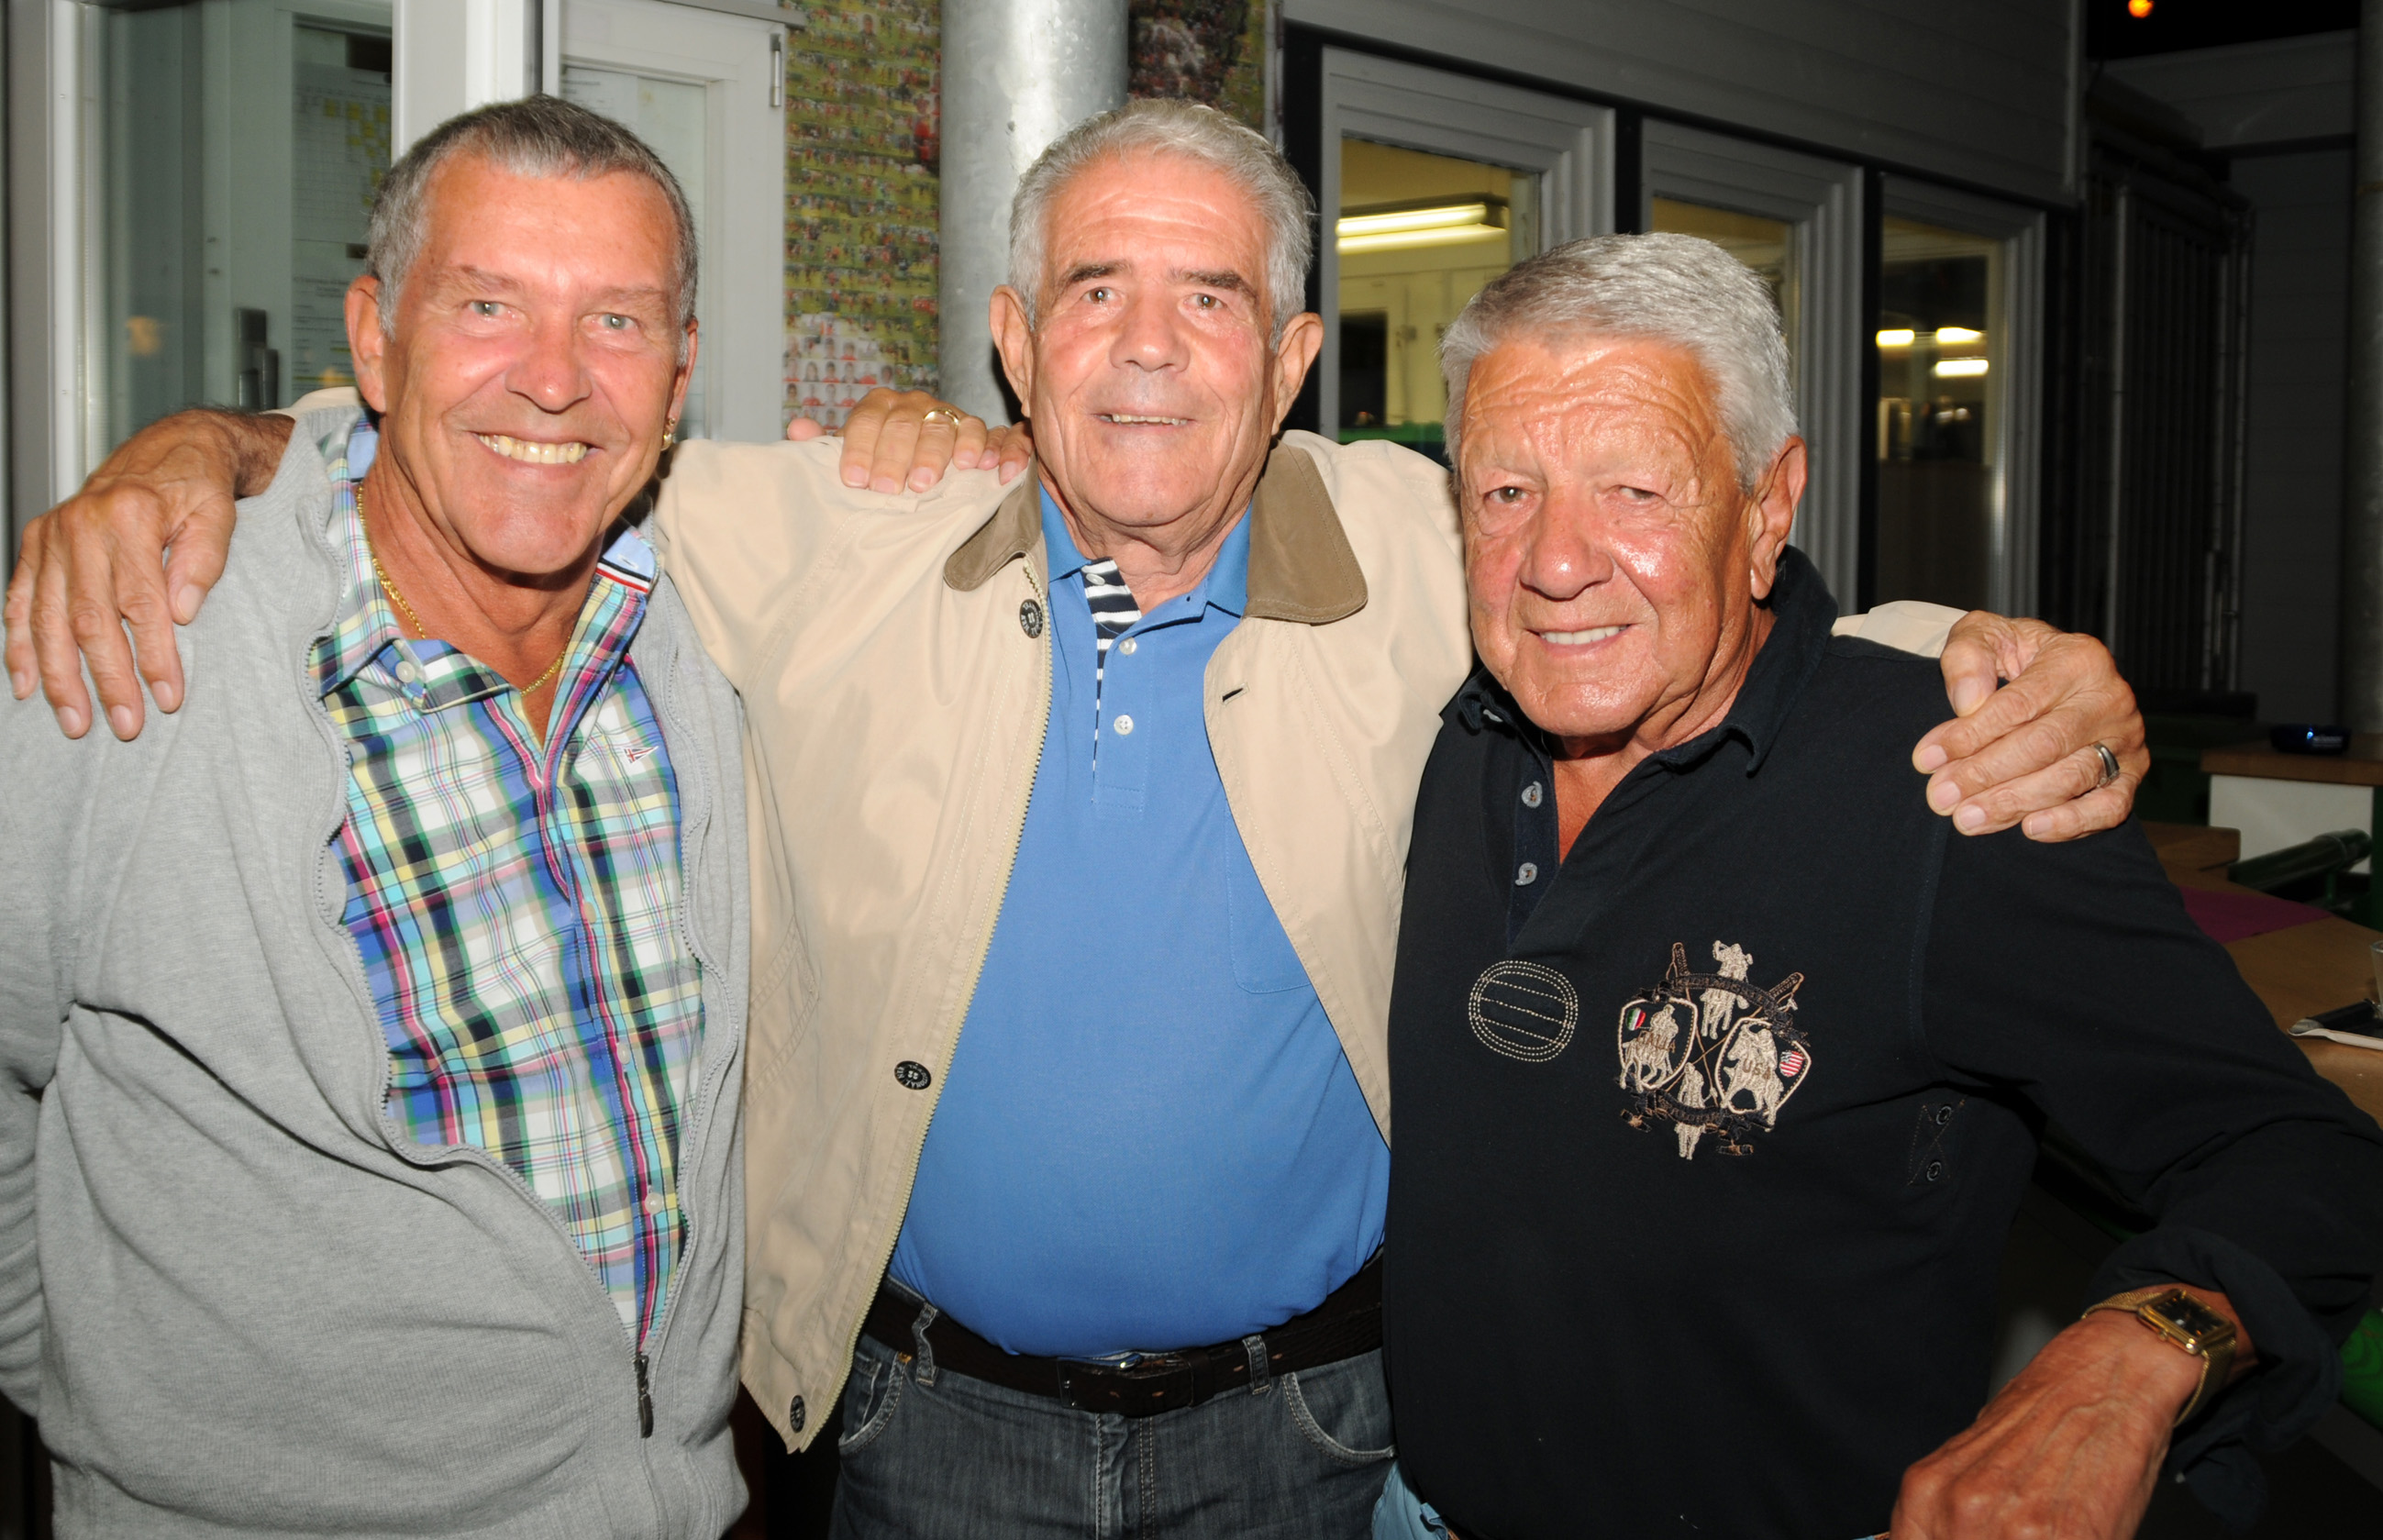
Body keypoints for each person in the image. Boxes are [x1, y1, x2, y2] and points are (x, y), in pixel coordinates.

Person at [8, 103, 2150, 1538]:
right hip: (921, 1432)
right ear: (1015, 345)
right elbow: (488, 442)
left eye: (1209, 297)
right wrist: (189, 454)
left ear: (1290, 360)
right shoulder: (824, 535)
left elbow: (1689, 595)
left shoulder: (1425, 548)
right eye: (1096, 291)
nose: (1147, 349)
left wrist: (1991, 659)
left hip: (1318, 1429)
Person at [0, 96, 998, 1537]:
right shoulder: (132, 643)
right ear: (374, 340)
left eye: (616, 321)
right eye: (487, 305)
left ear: (678, 376)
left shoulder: (711, 640)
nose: (552, 380)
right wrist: (103, 1396)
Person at [1376, 233, 2383, 1540]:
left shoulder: (1957, 790)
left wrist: (2122, 1368)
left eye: (1634, 488)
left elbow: (2302, 1159)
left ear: (1768, 509)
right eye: (1507, 490)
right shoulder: (1440, 731)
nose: (1556, 562)